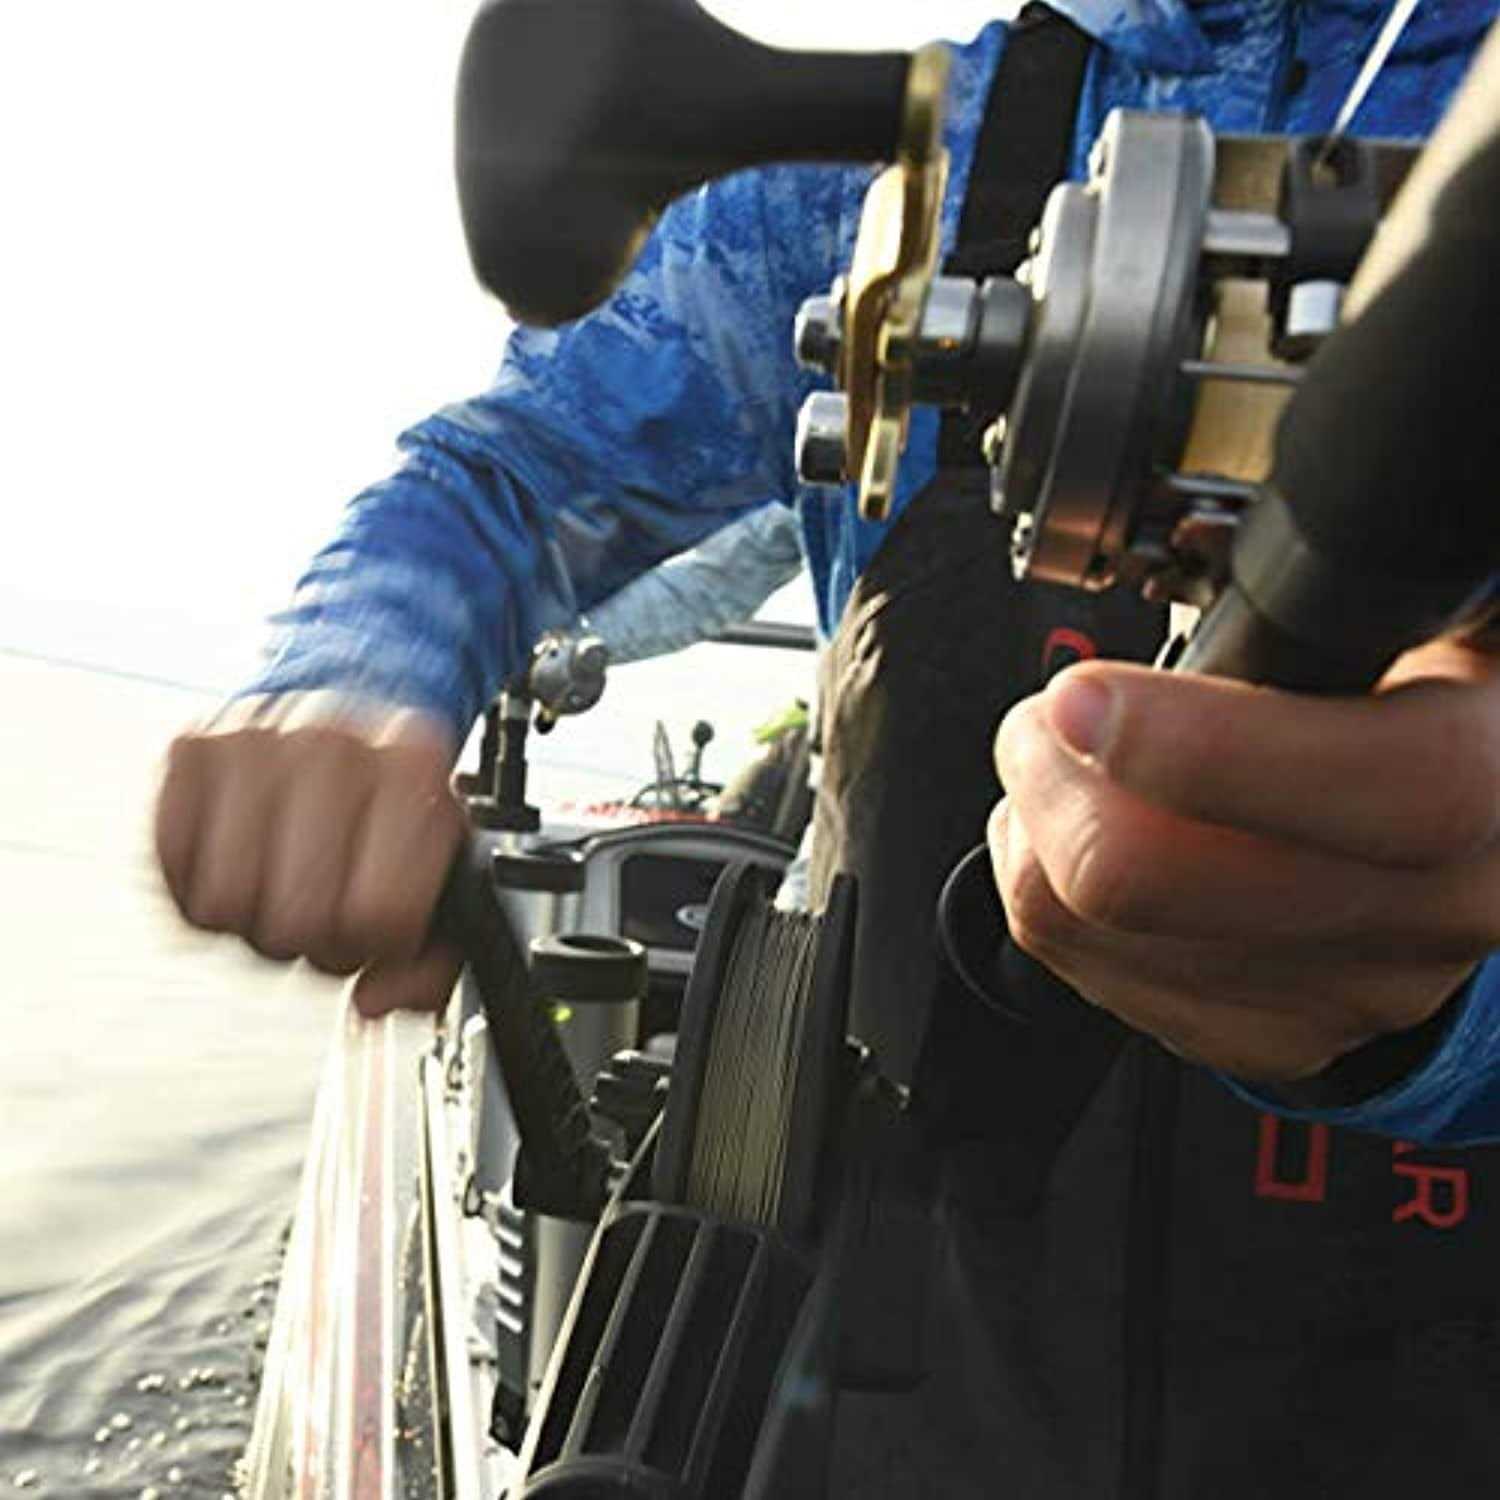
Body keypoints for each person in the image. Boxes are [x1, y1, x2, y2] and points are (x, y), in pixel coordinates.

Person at [155, 0, 1500, 1492]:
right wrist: (355, 684)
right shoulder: (894, 173)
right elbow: (512, 476)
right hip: (890, 1334)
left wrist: (1460, 1027)